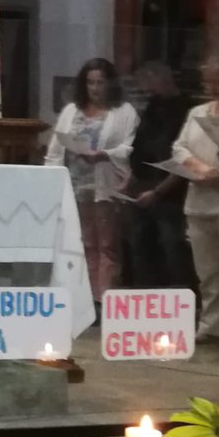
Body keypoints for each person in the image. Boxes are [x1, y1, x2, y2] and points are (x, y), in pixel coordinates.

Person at [44, 57, 137, 306]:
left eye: (100, 82)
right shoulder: (71, 110)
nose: (95, 88)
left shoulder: (123, 111)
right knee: (83, 243)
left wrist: (104, 154)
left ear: (110, 84)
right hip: (75, 185)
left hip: (105, 184)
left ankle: (106, 298)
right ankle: (86, 299)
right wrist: (51, 178)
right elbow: (55, 148)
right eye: (90, 82)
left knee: (106, 244)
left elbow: (128, 146)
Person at [172, 49, 219, 343]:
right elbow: (179, 147)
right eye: (209, 81)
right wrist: (199, 168)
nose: (212, 87)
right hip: (199, 202)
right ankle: (211, 326)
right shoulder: (197, 113)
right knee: (208, 272)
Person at [124, 61, 194, 290]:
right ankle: (145, 296)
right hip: (143, 186)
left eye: (147, 83)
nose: (145, 90)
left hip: (172, 190)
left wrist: (158, 191)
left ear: (161, 77)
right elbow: (140, 146)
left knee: (173, 247)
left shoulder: (187, 110)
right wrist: (131, 178)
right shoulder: (151, 107)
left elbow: (185, 158)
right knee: (140, 245)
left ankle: (182, 300)